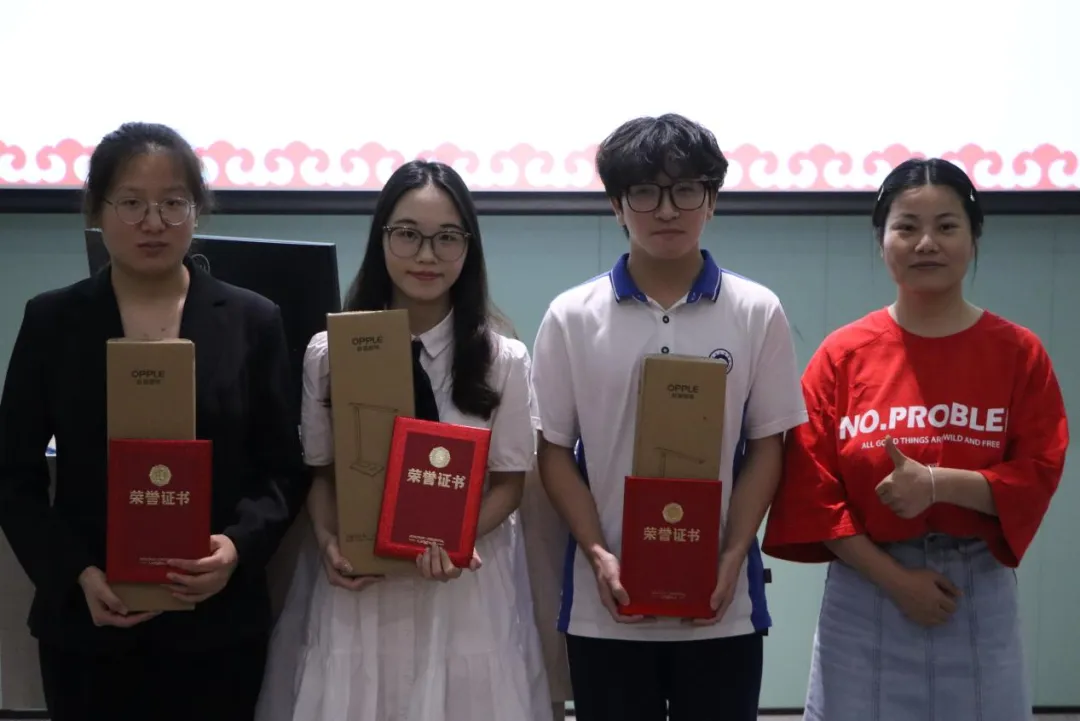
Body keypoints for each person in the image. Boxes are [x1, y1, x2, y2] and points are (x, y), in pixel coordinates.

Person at [0, 122, 311, 721]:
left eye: (173, 203)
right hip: (89, 624)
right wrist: (74, 572)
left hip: (216, 626)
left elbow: (281, 469)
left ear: (198, 209)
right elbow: (12, 473)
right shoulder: (52, 321)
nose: (153, 222)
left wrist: (236, 548)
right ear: (97, 209)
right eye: (132, 203)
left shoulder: (252, 321)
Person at [762, 157, 1069, 721]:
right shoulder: (842, 356)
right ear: (881, 239)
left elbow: (1038, 471)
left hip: (976, 590)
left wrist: (937, 484)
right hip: (866, 589)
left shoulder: (1018, 353)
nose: (926, 243)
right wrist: (896, 582)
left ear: (973, 238)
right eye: (906, 226)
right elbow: (812, 491)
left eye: (947, 226)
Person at [530, 113, 808, 721]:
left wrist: (734, 553)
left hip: (720, 604)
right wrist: (597, 552)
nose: (665, 209)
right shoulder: (571, 316)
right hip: (607, 607)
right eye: (644, 192)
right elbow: (552, 451)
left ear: (712, 200)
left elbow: (769, 445)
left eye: (685, 190)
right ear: (616, 205)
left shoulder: (757, 310)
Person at [256, 160, 552, 721]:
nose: (426, 256)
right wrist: (329, 542)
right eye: (408, 235)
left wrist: (453, 539)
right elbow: (322, 474)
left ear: (469, 248)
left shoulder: (503, 359)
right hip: (362, 586)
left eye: (447, 238)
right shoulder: (329, 352)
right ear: (382, 238)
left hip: (461, 589)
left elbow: (510, 485)